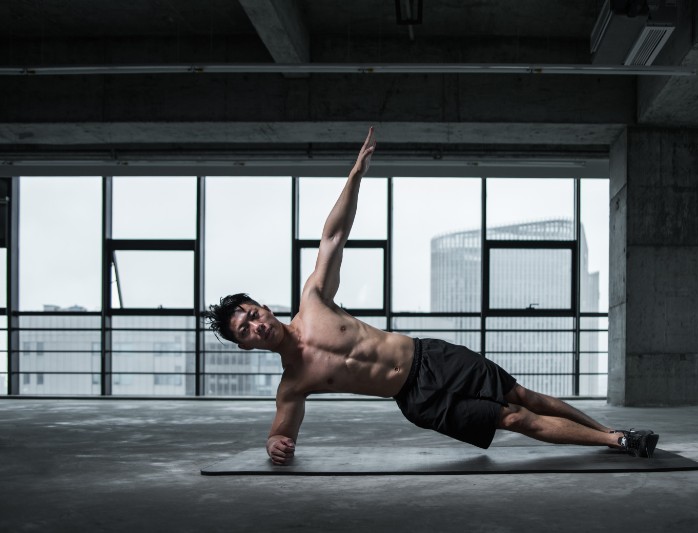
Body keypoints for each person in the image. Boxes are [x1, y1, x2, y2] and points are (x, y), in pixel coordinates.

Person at [204, 127, 659, 465]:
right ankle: (615, 441)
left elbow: (332, 237)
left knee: (523, 394)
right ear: (246, 346)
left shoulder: (315, 301)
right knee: (512, 418)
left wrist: (357, 174)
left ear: (262, 306)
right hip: (417, 399)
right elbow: (282, 431)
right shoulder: (293, 383)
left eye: (251, 313)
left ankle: (616, 435)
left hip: (431, 357)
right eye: (245, 330)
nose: (256, 325)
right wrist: (273, 444)